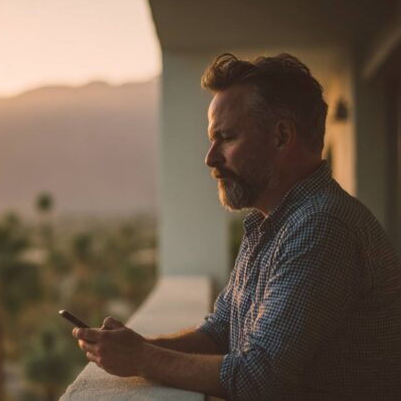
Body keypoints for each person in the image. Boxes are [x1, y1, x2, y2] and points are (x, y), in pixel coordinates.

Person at [72, 53, 401, 400]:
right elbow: (222, 331)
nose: (210, 157)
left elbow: (257, 378)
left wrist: (141, 359)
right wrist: (136, 346)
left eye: (226, 138)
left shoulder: (321, 226)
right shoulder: (271, 223)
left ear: (281, 136)